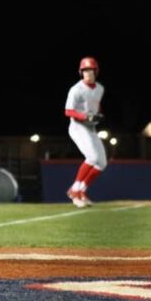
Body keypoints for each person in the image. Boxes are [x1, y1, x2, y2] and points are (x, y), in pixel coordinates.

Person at [64, 57, 106, 208]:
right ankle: (74, 191)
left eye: (91, 70)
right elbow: (68, 111)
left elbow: (95, 104)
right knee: (92, 157)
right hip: (77, 127)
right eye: (85, 70)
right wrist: (85, 116)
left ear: (96, 71)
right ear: (81, 72)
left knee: (101, 163)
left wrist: (99, 113)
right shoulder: (76, 89)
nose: (88, 73)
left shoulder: (100, 88)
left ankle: (82, 191)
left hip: (91, 127)